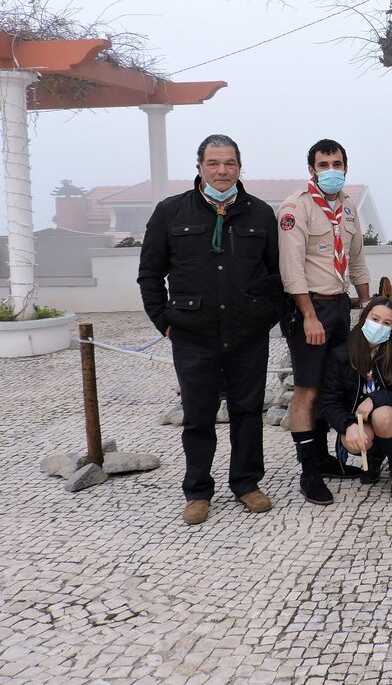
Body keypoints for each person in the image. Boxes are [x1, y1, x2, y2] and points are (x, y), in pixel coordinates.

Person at [138, 134, 280, 525]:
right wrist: (163, 322)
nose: (222, 171)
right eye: (214, 163)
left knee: (247, 411)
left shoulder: (260, 214)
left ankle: (246, 483)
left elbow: (274, 275)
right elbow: (150, 274)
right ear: (199, 166)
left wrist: (265, 315)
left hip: (247, 334)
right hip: (192, 334)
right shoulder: (171, 212)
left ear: (240, 166)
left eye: (230, 163)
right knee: (198, 415)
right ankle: (198, 490)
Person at [278, 139, 372, 506]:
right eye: (323, 164)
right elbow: (291, 266)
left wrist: (365, 305)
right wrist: (308, 315)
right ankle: (309, 473)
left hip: (339, 307)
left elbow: (357, 260)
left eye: (337, 163)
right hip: (309, 308)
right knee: (308, 389)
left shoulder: (348, 207)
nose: (331, 169)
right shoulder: (295, 207)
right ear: (311, 170)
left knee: (333, 385)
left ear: (346, 167)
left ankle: (324, 458)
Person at [320, 297, 392, 499]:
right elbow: (329, 403)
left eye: (386, 323)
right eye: (375, 319)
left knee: (382, 416)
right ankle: (374, 456)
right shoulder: (341, 353)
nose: (379, 326)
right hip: (360, 421)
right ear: (364, 317)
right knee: (352, 439)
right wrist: (347, 425)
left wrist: (377, 399)